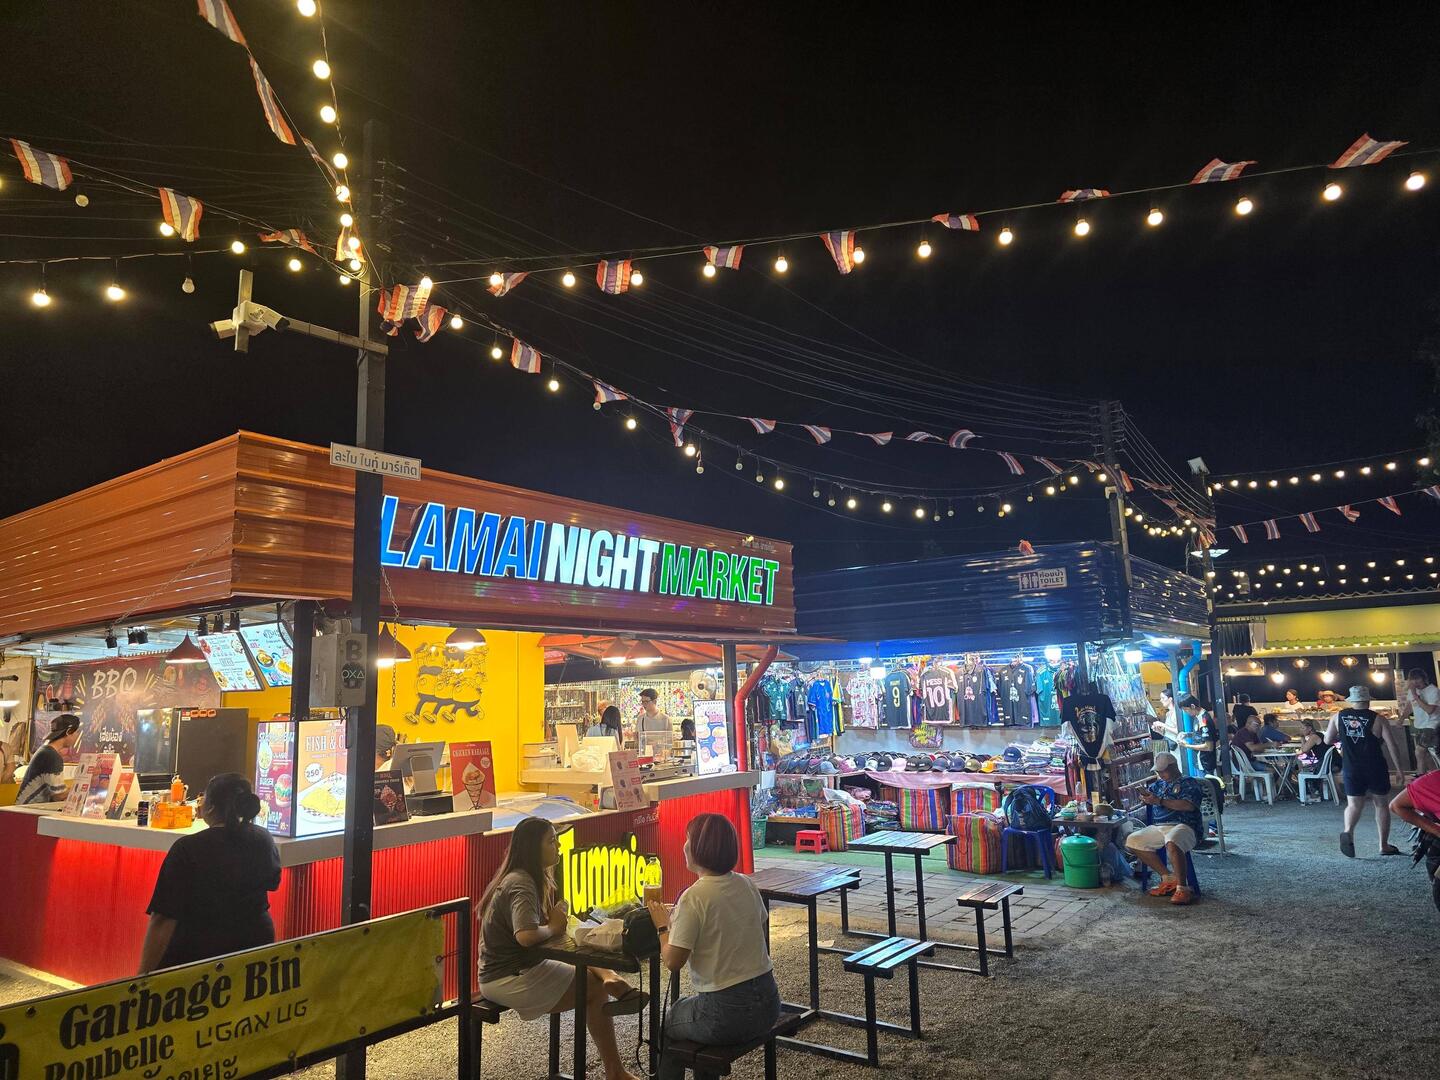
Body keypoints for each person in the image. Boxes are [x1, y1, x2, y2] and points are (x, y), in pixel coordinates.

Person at [478, 817, 644, 1080]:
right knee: (593, 988)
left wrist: (554, 924)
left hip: (515, 968)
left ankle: (611, 979)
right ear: (533, 848)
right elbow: (526, 936)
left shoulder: (521, 878)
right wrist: (554, 927)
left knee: (584, 963)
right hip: (507, 977)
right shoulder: (521, 883)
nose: (558, 846)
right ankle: (615, 1070)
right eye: (551, 841)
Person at [646, 814, 780, 1079]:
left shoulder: (694, 897)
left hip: (725, 1016)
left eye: (688, 839)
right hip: (768, 1005)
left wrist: (662, 927)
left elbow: (673, 962)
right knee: (688, 1006)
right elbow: (753, 930)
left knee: (668, 1022)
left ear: (699, 848)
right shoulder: (746, 884)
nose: (684, 846)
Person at [139, 773, 281, 972]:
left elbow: (163, 918)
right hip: (257, 946)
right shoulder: (263, 838)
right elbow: (273, 882)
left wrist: (142, 977)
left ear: (211, 807)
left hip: (200, 955)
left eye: (203, 796)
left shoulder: (188, 848)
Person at [1326, 685, 1405, 857]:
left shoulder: (1337, 716)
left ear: (1351, 701)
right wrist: (1399, 770)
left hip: (1351, 767)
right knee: (1381, 804)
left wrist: (1344, 738)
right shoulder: (1378, 719)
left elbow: (1327, 740)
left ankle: (1348, 831)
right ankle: (1383, 845)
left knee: (1353, 804)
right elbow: (1392, 745)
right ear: (1368, 700)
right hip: (1375, 767)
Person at [1125, 752, 1206, 905]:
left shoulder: (1189, 783)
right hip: (1160, 826)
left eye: (1164, 771)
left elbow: (1188, 805)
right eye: (1158, 771)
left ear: (1174, 767)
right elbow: (1151, 799)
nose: (1161, 774)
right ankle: (1168, 877)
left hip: (1185, 825)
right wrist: (1146, 798)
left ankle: (1183, 888)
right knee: (1133, 840)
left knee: (1172, 841)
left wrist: (1160, 801)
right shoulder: (1158, 785)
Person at [16, 714, 80, 805]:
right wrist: (81, 788)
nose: (77, 735)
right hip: (29, 809)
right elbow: (58, 795)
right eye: (76, 732)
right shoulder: (52, 756)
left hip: (26, 807)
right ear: (68, 732)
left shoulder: (45, 750)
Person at [1405, 669, 1440, 774]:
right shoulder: (1412, 691)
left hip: (1432, 724)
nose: (1415, 682)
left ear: (1424, 679)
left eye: (1417, 679)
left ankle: (1420, 777)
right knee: (1427, 755)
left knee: (1419, 751)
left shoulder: (1433, 690)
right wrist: (1401, 718)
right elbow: (1409, 706)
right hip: (1420, 725)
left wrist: (1416, 696)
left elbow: (1430, 710)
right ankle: (1435, 776)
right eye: (1412, 679)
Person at [1177, 695, 1219, 775]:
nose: (1185, 712)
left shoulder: (1203, 720)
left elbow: (1209, 747)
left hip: (1205, 763)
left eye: (1185, 709)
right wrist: (1187, 734)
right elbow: (1200, 735)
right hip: (1200, 762)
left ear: (1192, 706)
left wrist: (1187, 745)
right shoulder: (1198, 716)